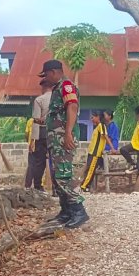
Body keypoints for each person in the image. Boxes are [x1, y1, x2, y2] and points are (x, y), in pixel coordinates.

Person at [39, 59, 89, 229]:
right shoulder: (57, 89)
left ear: (53, 72)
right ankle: (66, 211)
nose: (45, 78)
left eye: (46, 75)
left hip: (63, 139)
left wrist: (68, 133)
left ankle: (78, 211)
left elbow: (72, 107)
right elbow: (59, 113)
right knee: (57, 176)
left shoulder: (67, 86)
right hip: (56, 140)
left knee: (63, 176)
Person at [80, 111, 116, 192]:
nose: (91, 119)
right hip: (91, 152)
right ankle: (85, 185)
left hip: (95, 153)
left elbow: (106, 137)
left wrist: (112, 148)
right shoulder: (97, 127)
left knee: (91, 170)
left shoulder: (101, 126)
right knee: (88, 169)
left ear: (97, 117)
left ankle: (84, 186)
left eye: (92, 117)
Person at [29, 79, 52, 192]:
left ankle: (38, 186)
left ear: (43, 87)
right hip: (55, 134)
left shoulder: (39, 100)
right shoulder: (58, 99)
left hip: (42, 133)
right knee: (55, 161)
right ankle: (57, 189)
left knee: (40, 162)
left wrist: (33, 140)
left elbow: (36, 121)